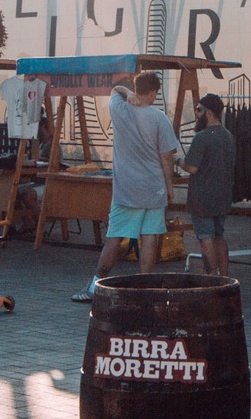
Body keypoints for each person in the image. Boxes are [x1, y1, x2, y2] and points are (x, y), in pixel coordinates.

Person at [72, 72, 179, 303]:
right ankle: (144, 285)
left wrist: (126, 92)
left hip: (127, 189)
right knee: (150, 236)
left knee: (115, 236)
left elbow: (114, 90)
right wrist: (170, 188)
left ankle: (94, 285)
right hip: (154, 187)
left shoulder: (120, 110)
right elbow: (167, 157)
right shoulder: (159, 118)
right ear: (152, 93)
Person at [181, 94, 237, 277]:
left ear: (209, 112)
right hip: (222, 195)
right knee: (219, 236)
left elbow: (191, 167)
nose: (196, 114)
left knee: (205, 238)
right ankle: (225, 277)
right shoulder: (228, 136)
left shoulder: (202, 138)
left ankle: (211, 278)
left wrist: (177, 161)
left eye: (199, 110)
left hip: (203, 197)